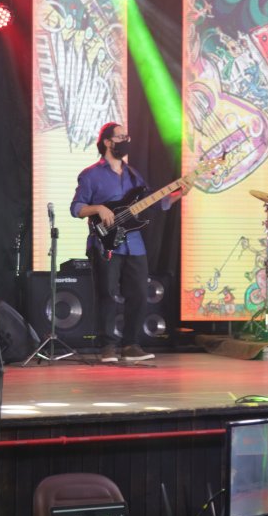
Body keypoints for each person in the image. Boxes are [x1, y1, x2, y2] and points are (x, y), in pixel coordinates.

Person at [70, 122, 188, 363]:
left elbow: (154, 203)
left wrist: (179, 194)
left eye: (127, 136)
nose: (126, 141)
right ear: (107, 142)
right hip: (105, 243)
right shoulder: (91, 174)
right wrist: (98, 208)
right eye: (120, 137)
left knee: (139, 294)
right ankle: (107, 347)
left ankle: (131, 345)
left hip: (134, 243)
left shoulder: (133, 174)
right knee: (107, 294)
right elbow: (77, 208)